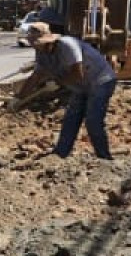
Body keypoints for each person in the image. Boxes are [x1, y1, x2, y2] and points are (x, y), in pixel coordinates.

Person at [16, 22, 119, 160]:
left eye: (37, 43)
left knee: (93, 120)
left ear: (48, 41)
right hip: (81, 86)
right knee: (71, 117)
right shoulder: (41, 53)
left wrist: (58, 82)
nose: (35, 46)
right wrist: (18, 98)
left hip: (101, 79)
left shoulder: (67, 46)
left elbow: (78, 73)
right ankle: (60, 154)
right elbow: (36, 76)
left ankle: (104, 158)